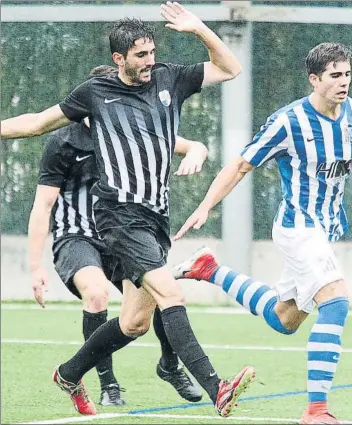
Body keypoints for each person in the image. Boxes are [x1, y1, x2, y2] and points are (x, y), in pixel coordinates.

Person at [2, 2, 255, 417]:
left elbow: (229, 68)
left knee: (136, 322)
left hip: (157, 216)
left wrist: (199, 29)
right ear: (118, 58)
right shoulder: (94, 94)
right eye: (140, 55)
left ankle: (69, 372)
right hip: (119, 216)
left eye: (151, 52)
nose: (149, 61)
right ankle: (217, 387)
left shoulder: (170, 77)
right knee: (171, 292)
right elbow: (34, 123)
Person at [173, 42, 352, 425]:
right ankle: (316, 411)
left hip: (324, 230)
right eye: (335, 76)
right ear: (314, 79)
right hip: (298, 229)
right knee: (336, 301)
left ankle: (210, 270)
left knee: (285, 319)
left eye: (347, 74)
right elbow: (241, 165)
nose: (344, 82)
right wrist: (206, 205)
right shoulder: (289, 121)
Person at [28, 65, 206, 406]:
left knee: (154, 293)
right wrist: (35, 267)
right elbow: (43, 206)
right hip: (78, 236)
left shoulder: (133, 129)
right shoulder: (62, 141)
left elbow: (190, 145)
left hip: (124, 232)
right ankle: (108, 385)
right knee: (96, 295)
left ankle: (170, 365)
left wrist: (197, 151)